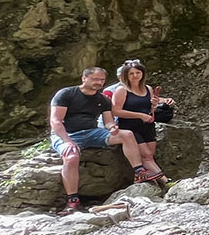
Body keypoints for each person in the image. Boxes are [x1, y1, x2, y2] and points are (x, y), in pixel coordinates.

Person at [49, 66, 165, 215]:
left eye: (102, 80)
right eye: (95, 79)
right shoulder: (66, 94)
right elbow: (56, 121)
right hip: (68, 134)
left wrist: (112, 128)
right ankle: (73, 199)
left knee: (127, 134)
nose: (98, 82)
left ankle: (139, 171)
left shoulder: (103, 99)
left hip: (92, 132)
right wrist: (67, 141)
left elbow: (108, 121)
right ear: (84, 78)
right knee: (71, 157)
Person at [109, 59, 174, 182]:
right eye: (131, 73)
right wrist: (139, 115)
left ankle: (145, 178)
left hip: (147, 126)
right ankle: (166, 181)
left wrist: (154, 106)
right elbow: (115, 111)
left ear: (142, 74)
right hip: (130, 126)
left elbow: (149, 110)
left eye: (137, 73)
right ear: (126, 75)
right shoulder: (122, 90)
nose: (135, 76)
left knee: (149, 156)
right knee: (147, 156)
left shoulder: (148, 89)